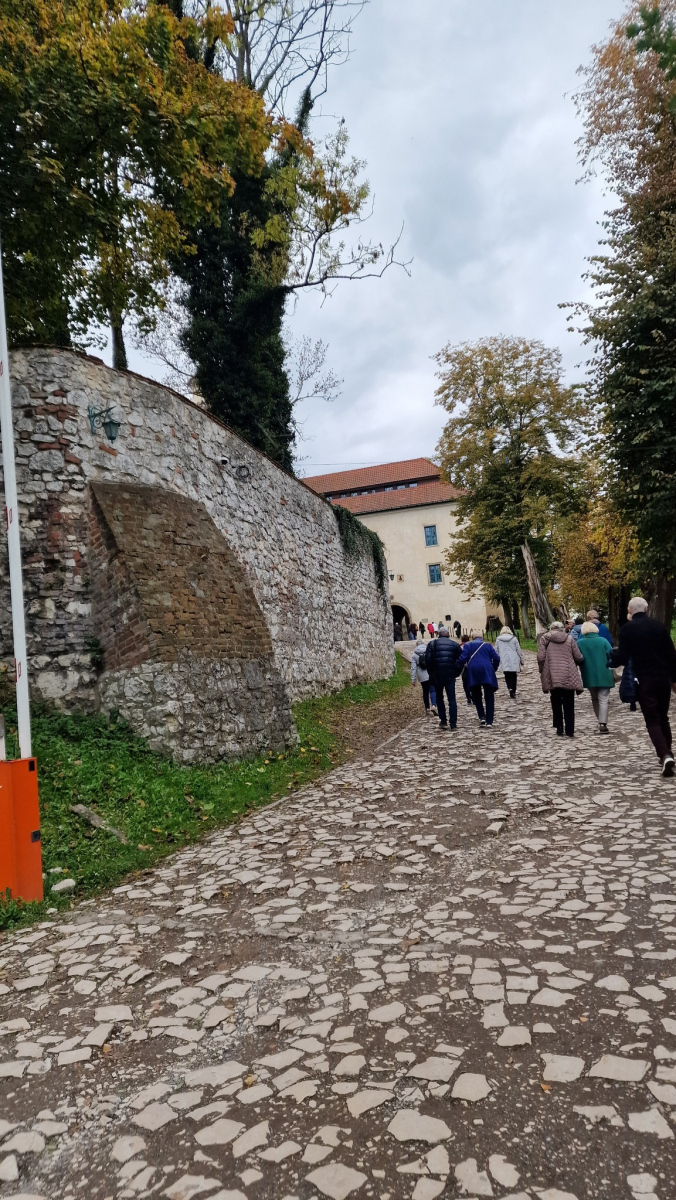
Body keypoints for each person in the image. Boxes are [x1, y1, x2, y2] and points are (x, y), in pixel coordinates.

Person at [612, 596, 676, 777]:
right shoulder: (659, 626)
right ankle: (667, 753)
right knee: (663, 717)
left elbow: (622, 657)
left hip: (644, 679)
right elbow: (671, 654)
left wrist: (611, 659)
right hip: (663, 678)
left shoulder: (627, 629)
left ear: (629, 610)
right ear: (646, 609)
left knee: (652, 719)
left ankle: (665, 755)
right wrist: (674, 679)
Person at [537, 620, 584, 738]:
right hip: (568, 673)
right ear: (562, 628)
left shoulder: (545, 639)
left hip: (552, 673)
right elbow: (578, 656)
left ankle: (559, 727)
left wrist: (542, 670)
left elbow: (541, 657)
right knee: (569, 702)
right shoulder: (569, 638)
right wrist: (579, 661)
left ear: (551, 628)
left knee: (555, 701)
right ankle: (570, 729)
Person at [577, 620, 615, 734]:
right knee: (604, 698)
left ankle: (600, 720)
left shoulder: (580, 643)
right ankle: (603, 723)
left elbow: (578, 658)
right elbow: (611, 654)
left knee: (594, 698)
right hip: (604, 673)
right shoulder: (603, 641)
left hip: (589, 674)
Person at [456, 633, 500, 728]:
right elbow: (496, 658)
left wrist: (456, 668)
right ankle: (489, 721)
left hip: (473, 671)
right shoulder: (487, 645)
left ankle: (482, 716)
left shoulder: (468, 646)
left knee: (476, 694)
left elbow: (462, 658)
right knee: (489, 695)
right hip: (486, 670)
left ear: (472, 638)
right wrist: (493, 668)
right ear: (482, 637)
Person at [425, 627, 461, 730]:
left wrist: (431, 673)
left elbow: (428, 660)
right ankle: (453, 723)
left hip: (437, 675)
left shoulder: (432, 644)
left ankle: (443, 721)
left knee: (439, 698)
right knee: (452, 699)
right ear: (448, 634)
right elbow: (461, 660)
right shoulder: (454, 645)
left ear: (439, 634)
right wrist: (456, 672)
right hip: (450, 675)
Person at [495, 625, 525, 698]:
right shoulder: (514, 639)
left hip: (503, 659)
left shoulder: (498, 640)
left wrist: (496, 660)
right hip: (513, 659)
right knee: (514, 675)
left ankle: (510, 688)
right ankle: (513, 690)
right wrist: (522, 659)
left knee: (507, 675)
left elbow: (496, 651)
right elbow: (518, 649)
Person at [411, 639, 437, 716]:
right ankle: (434, 705)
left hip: (421, 675)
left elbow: (413, 668)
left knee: (425, 692)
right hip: (430, 673)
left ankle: (427, 708)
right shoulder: (429, 651)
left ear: (417, 645)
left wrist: (413, 679)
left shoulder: (414, 655)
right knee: (433, 689)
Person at [459, 634, 473, 705]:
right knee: (473, 681)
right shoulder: (472, 646)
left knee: (465, 683)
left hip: (464, 667)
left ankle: (468, 696)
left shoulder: (460, 647)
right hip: (472, 666)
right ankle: (473, 695)